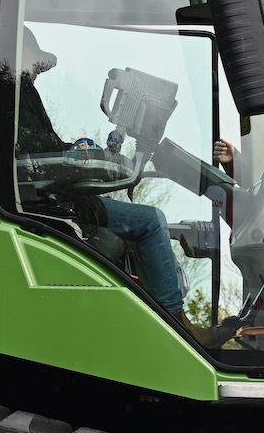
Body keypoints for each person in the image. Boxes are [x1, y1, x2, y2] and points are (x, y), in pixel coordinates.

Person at [14, 28, 185, 315]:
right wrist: (74, 156)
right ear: (21, 56)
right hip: (50, 203)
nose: (36, 70)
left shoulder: (13, 90)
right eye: (33, 61)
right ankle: (177, 320)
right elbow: (34, 152)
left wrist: (79, 152)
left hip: (51, 198)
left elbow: (41, 147)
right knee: (152, 221)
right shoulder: (16, 90)